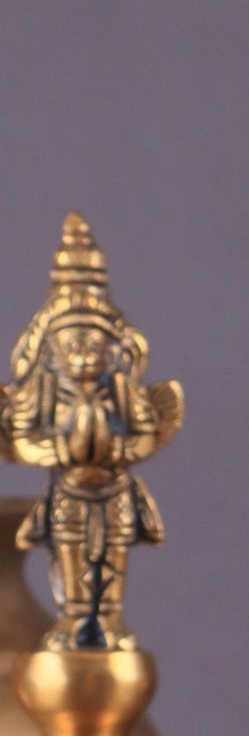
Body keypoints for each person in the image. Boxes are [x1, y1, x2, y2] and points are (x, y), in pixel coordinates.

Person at [0, 214, 182, 651]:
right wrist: (60, 449)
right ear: (52, 354)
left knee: (112, 553)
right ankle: (77, 614)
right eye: (72, 345)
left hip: (113, 490)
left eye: (94, 345)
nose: (84, 354)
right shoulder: (46, 398)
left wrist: (121, 446)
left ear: (112, 350)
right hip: (70, 492)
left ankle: (108, 616)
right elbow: (23, 441)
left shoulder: (121, 393)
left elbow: (146, 432)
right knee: (71, 552)